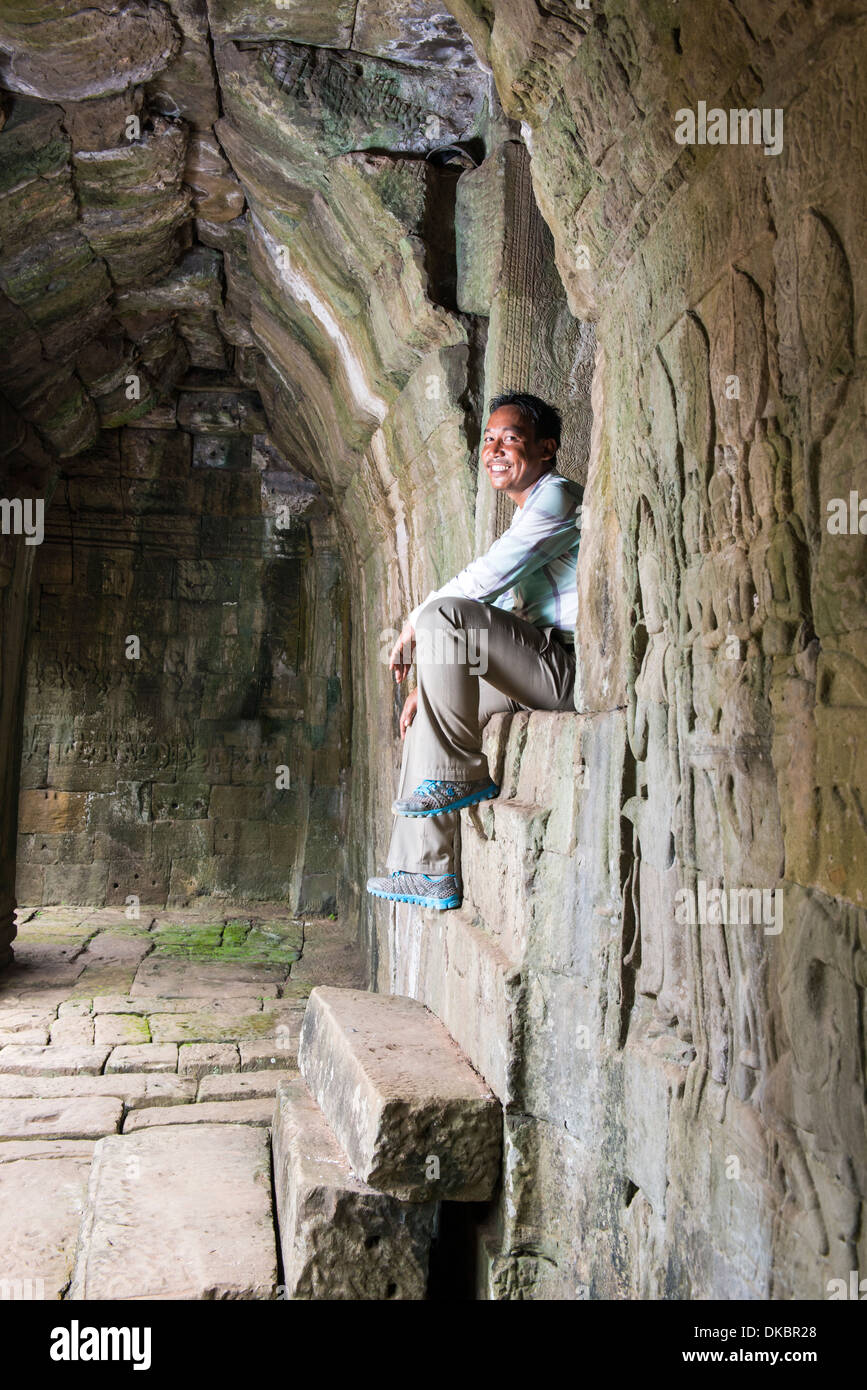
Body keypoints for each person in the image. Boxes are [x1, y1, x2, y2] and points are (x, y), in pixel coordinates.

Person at [366, 391, 583, 910]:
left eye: (511, 438)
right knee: (425, 715)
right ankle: (427, 873)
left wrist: (413, 623)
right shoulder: (526, 514)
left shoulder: (557, 498)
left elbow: (481, 585)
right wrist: (428, 686)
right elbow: (503, 602)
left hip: (565, 668)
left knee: (445, 613)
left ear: (546, 448)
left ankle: (459, 776)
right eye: (488, 439)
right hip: (531, 667)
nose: (495, 449)